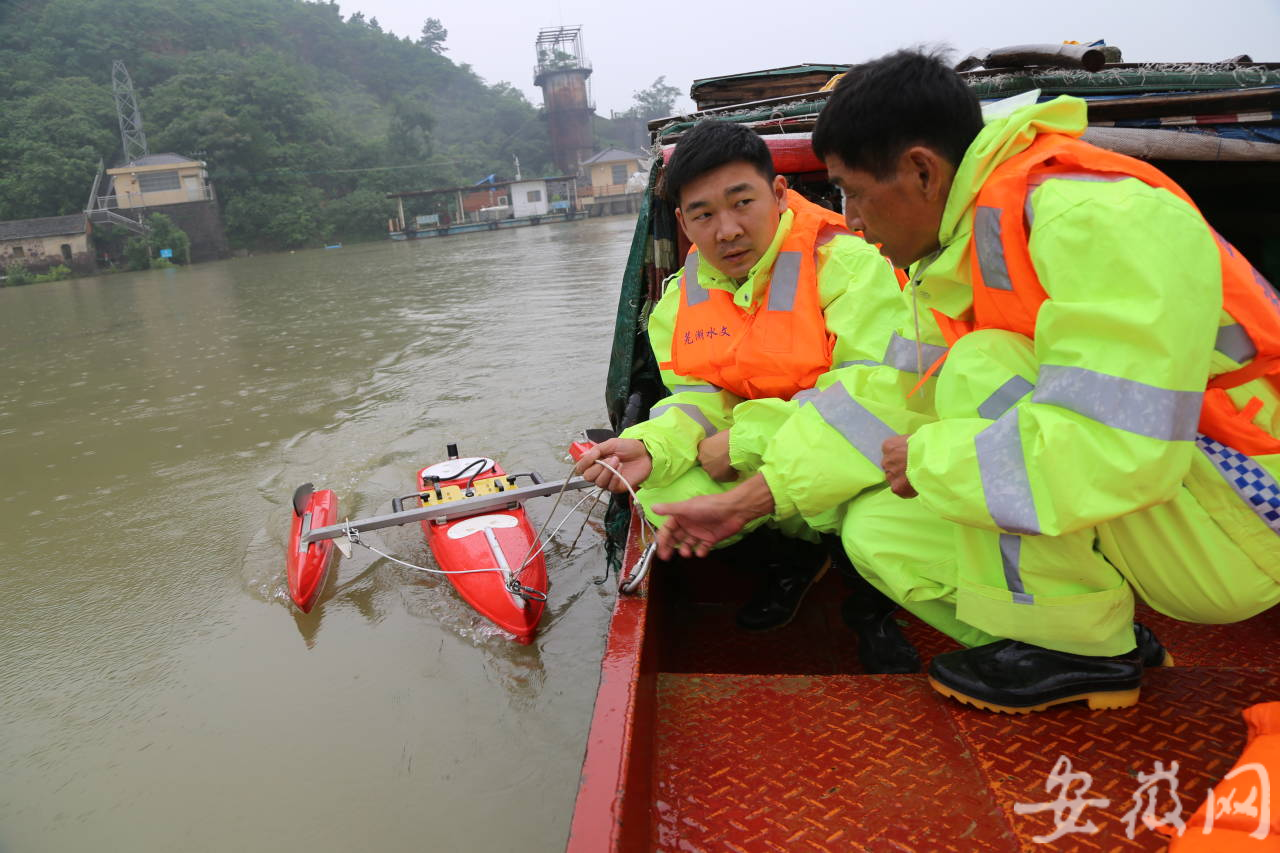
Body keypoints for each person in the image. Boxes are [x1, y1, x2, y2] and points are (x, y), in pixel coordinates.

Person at [647, 49, 1280, 713]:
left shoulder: (1090, 219)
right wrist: (756, 497)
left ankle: (1085, 641)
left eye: (854, 193)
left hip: (1243, 523)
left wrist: (929, 457)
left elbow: (1115, 445)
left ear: (921, 169)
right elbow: (883, 400)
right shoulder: (956, 256)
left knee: (976, 370)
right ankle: (1089, 650)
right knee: (878, 529)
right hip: (1166, 502)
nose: (851, 220)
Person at [575, 119, 913, 653]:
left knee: (873, 504)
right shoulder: (680, 298)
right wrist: (651, 445)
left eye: (742, 203)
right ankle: (796, 560)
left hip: (848, 455)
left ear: (779, 195)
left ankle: (871, 607)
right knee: (662, 499)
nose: (726, 229)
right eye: (704, 215)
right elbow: (697, 398)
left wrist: (744, 442)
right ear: (683, 222)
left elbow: (875, 401)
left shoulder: (847, 265)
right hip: (754, 451)